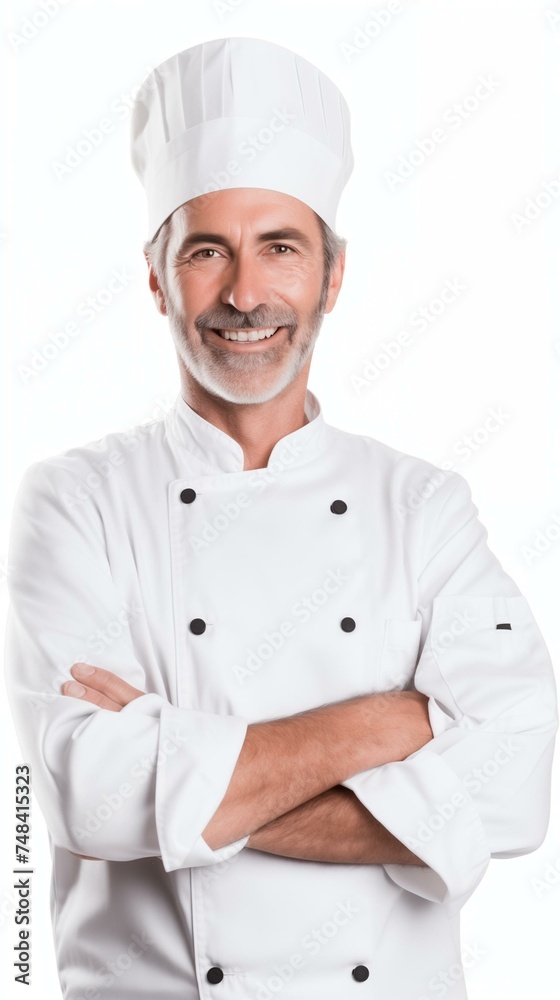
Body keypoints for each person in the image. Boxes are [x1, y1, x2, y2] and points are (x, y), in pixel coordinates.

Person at [4, 36, 558, 1000]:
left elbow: (515, 789)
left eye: (281, 249)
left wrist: (175, 780)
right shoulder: (75, 500)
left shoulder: (421, 506)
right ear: (155, 278)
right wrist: (384, 726)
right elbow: (87, 797)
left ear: (333, 279)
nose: (246, 295)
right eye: (208, 250)